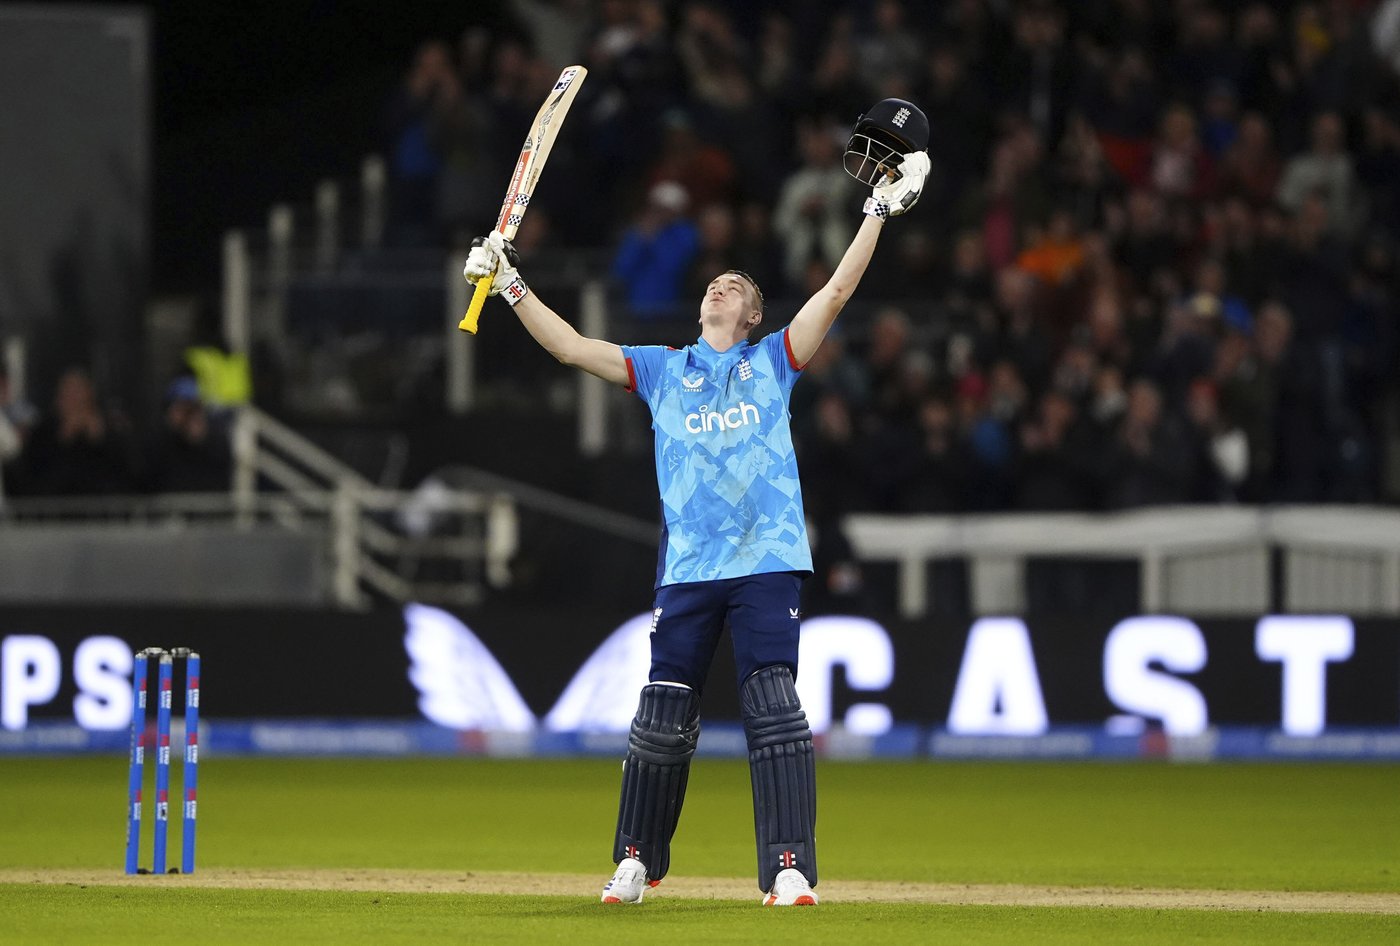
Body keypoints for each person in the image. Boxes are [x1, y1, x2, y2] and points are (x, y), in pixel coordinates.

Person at [463, 99, 931, 907]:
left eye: (738, 285)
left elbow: (839, 290)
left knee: (773, 709)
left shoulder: (775, 361)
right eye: (717, 280)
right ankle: (635, 860)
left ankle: (788, 871)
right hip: (688, 565)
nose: (723, 283)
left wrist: (877, 210)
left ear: (751, 316)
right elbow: (573, 346)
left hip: (766, 558)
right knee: (662, 718)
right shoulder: (661, 368)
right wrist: (508, 283)